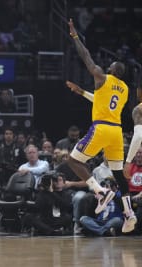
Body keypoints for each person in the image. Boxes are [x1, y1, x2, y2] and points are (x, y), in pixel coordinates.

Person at [65, 18, 136, 233]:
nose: (106, 66)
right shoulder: (124, 89)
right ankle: (129, 213)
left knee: (72, 160)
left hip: (102, 128)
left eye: (110, 66)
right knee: (118, 175)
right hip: (117, 132)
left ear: (113, 70)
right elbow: (103, 102)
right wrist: (82, 92)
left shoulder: (101, 77)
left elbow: (85, 56)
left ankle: (99, 192)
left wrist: (75, 36)